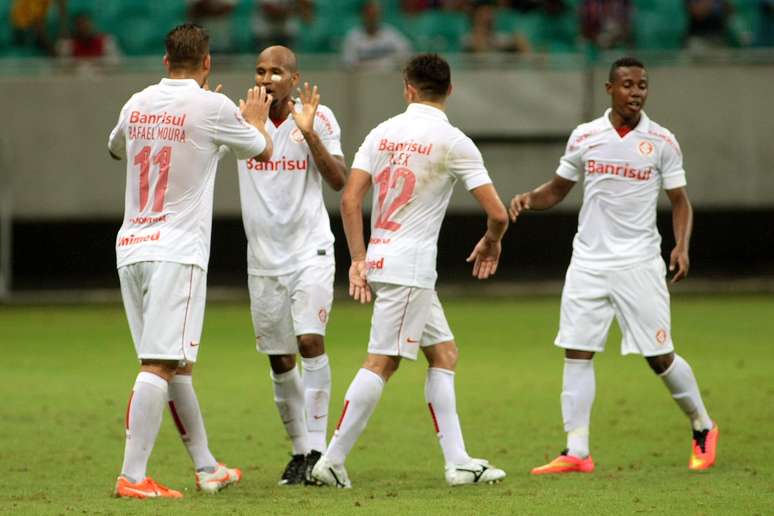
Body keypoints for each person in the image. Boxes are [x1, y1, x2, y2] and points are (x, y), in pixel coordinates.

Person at [509, 57, 718, 475]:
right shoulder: (585, 136)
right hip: (588, 260)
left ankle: (703, 425)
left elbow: (681, 201)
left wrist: (681, 245)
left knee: (658, 355)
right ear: (610, 88)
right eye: (627, 84)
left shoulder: (662, 141)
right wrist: (529, 199)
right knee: (577, 351)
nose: (636, 91)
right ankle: (578, 451)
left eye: (642, 84)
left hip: (638, 263)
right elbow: (558, 189)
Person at [312, 53, 509, 488]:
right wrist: (492, 240)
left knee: (444, 354)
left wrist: (359, 260)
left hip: (384, 260)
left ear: (408, 88)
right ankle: (331, 459)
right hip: (411, 269)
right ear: (450, 90)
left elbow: (348, 200)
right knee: (382, 362)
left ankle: (457, 461)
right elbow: (497, 213)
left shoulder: (382, 132)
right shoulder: (455, 141)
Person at [107, 23, 274, 499]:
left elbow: (116, 148)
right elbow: (262, 150)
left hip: (131, 248)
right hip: (176, 251)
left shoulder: (136, 102)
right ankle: (133, 477)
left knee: (173, 363)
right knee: (160, 364)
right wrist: (253, 120)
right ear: (207, 63)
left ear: (165, 62)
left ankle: (206, 468)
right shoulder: (213, 106)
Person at [235, 45, 347, 486]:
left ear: (294, 79)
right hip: (263, 258)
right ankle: (300, 451)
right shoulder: (241, 117)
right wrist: (252, 129)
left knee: (309, 341)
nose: (266, 79)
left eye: (276, 72)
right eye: (260, 70)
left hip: (310, 252)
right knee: (280, 359)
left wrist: (310, 135)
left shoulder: (319, 116)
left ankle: (320, 452)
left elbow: (339, 179)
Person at [341, 0, 412, 69]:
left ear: (379, 15)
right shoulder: (353, 36)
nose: (372, 18)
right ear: (363, 15)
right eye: (369, 15)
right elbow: (348, 63)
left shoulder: (391, 34)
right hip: (362, 78)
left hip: (388, 77)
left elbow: (406, 55)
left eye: (374, 14)